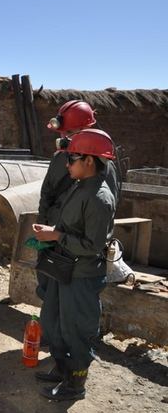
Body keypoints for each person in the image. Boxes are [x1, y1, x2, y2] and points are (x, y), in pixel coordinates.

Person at [32, 129, 117, 401]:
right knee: (53, 322)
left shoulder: (99, 198)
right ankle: (62, 368)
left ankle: (75, 385)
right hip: (64, 268)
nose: (67, 165)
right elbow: (71, 226)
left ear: (90, 161)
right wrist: (52, 230)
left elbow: (92, 246)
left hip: (82, 275)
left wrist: (57, 235)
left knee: (77, 330)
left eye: (72, 159)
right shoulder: (80, 186)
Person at [36, 100, 121, 299]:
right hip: (51, 235)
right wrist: (43, 223)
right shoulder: (60, 156)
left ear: (86, 128)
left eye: (70, 132)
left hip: (76, 247)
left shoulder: (102, 164)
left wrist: (65, 236)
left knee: (71, 297)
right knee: (47, 287)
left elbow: (105, 207)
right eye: (62, 133)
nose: (64, 137)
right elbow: (47, 192)